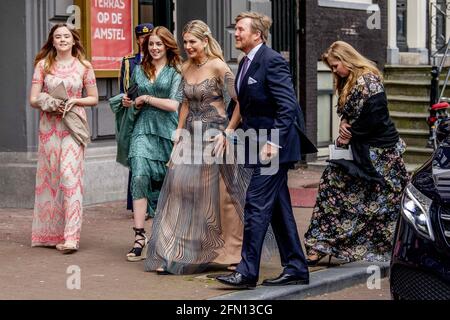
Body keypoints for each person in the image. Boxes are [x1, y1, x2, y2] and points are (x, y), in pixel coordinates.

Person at [143, 20, 252, 275]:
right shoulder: (185, 67)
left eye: (193, 41)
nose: (188, 46)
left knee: (221, 197)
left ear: (205, 41)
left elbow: (240, 102)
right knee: (181, 192)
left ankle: (230, 254)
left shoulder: (218, 66)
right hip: (190, 137)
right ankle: (178, 253)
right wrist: (179, 133)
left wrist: (228, 132)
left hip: (215, 137)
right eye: (186, 42)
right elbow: (184, 104)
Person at [216, 12, 316, 289]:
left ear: (257, 34)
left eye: (240, 29)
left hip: (272, 149)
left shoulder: (271, 61)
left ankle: (247, 273)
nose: (235, 34)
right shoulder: (246, 62)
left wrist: (273, 143)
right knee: (278, 210)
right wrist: (231, 131)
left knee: (256, 205)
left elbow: (287, 107)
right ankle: (296, 267)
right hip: (257, 145)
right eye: (235, 29)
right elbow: (245, 105)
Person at [303, 41, 408, 265]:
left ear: (347, 60)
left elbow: (377, 116)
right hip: (359, 150)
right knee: (332, 190)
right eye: (330, 68)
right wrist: (345, 124)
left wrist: (351, 133)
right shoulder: (349, 80)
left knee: (382, 202)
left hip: (379, 154)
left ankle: (393, 248)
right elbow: (355, 114)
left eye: (335, 66)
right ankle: (321, 245)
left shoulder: (368, 80)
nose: (334, 71)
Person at [114, 27, 183, 262]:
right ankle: (139, 237)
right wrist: (128, 101)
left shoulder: (176, 71)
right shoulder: (139, 70)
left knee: (167, 184)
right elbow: (133, 97)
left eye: (159, 44)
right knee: (140, 177)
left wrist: (147, 98)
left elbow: (174, 104)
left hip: (167, 132)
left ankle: (166, 236)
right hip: (142, 130)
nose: (154, 48)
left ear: (167, 46)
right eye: (151, 44)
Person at [29, 23, 98, 253]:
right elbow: (33, 98)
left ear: (74, 40)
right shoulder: (43, 65)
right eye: (57, 36)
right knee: (52, 178)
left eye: (66, 36)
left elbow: (94, 98)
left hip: (73, 125)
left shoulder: (84, 67)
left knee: (70, 176)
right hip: (50, 125)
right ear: (52, 41)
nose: (62, 40)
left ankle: (71, 237)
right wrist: (51, 102)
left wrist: (75, 101)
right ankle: (50, 234)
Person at [119, 23, 154, 217]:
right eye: (142, 37)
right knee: (138, 160)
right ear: (138, 39)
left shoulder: (163, 61)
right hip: (136, 115)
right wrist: (124, 100)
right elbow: (122, 90)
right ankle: (138, 204)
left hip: (157, 116)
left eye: (149, 37)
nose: (145, 41)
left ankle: (155, 203)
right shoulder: (128, 61)